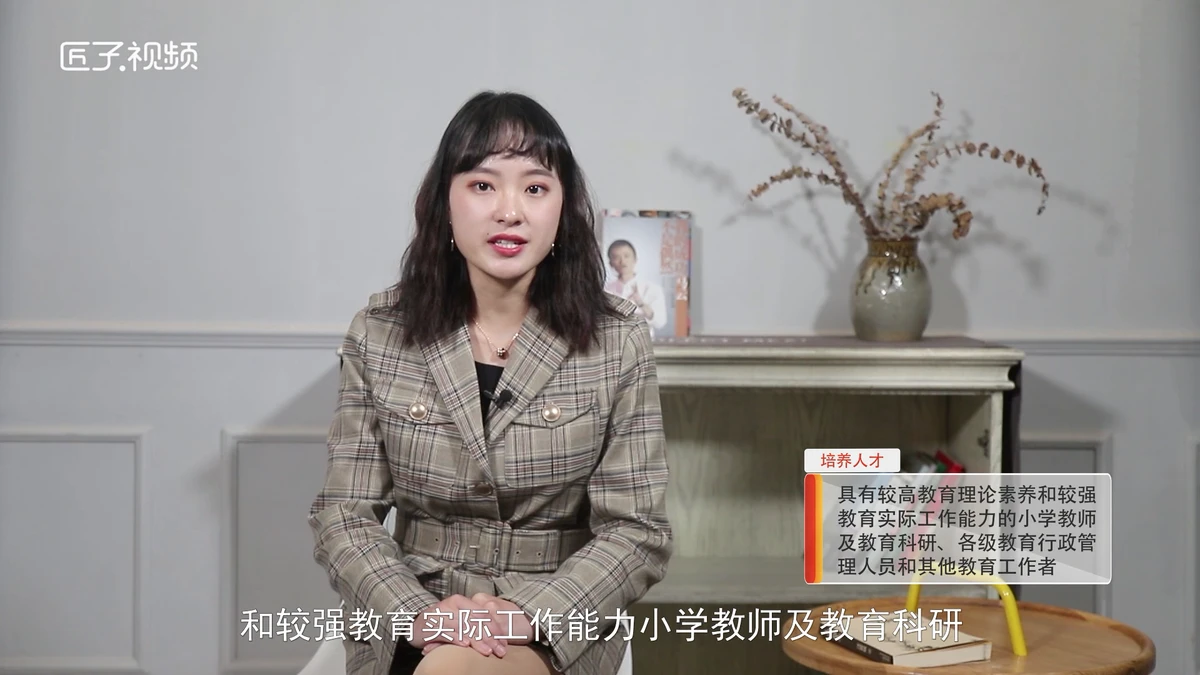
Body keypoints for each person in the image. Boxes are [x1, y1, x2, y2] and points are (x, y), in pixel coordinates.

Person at [308, 91, 673, 675]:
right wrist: (417, 614)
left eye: (535, 187)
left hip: (555, 615)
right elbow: (344, 514)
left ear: (563, 208)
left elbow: (637, 530)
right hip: (416, 606)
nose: (510, 211)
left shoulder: (617, 338)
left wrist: (528, 614)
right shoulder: (380, 332)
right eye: (483, 185)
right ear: (444, 203)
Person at [603, 240, 668, 335]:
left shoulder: (652, 288)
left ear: (635, 259)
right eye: (616, 257)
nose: (622, 261)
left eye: (626, 256)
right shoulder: (605, 290)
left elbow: (660, 322)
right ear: (610, 263)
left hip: (643, 340)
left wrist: (641, 303)